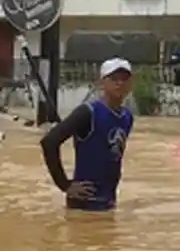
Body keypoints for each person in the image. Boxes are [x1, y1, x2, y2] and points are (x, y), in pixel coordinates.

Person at [40, 57, 135, 211]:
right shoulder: (88, 112)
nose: (120, 83)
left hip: (108, 201)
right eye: (114, 78)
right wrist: (65, 185)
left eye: (124, 79)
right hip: (83, 203)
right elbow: (49, 142)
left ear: (131, 84)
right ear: (102, 82)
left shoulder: (127, 117)